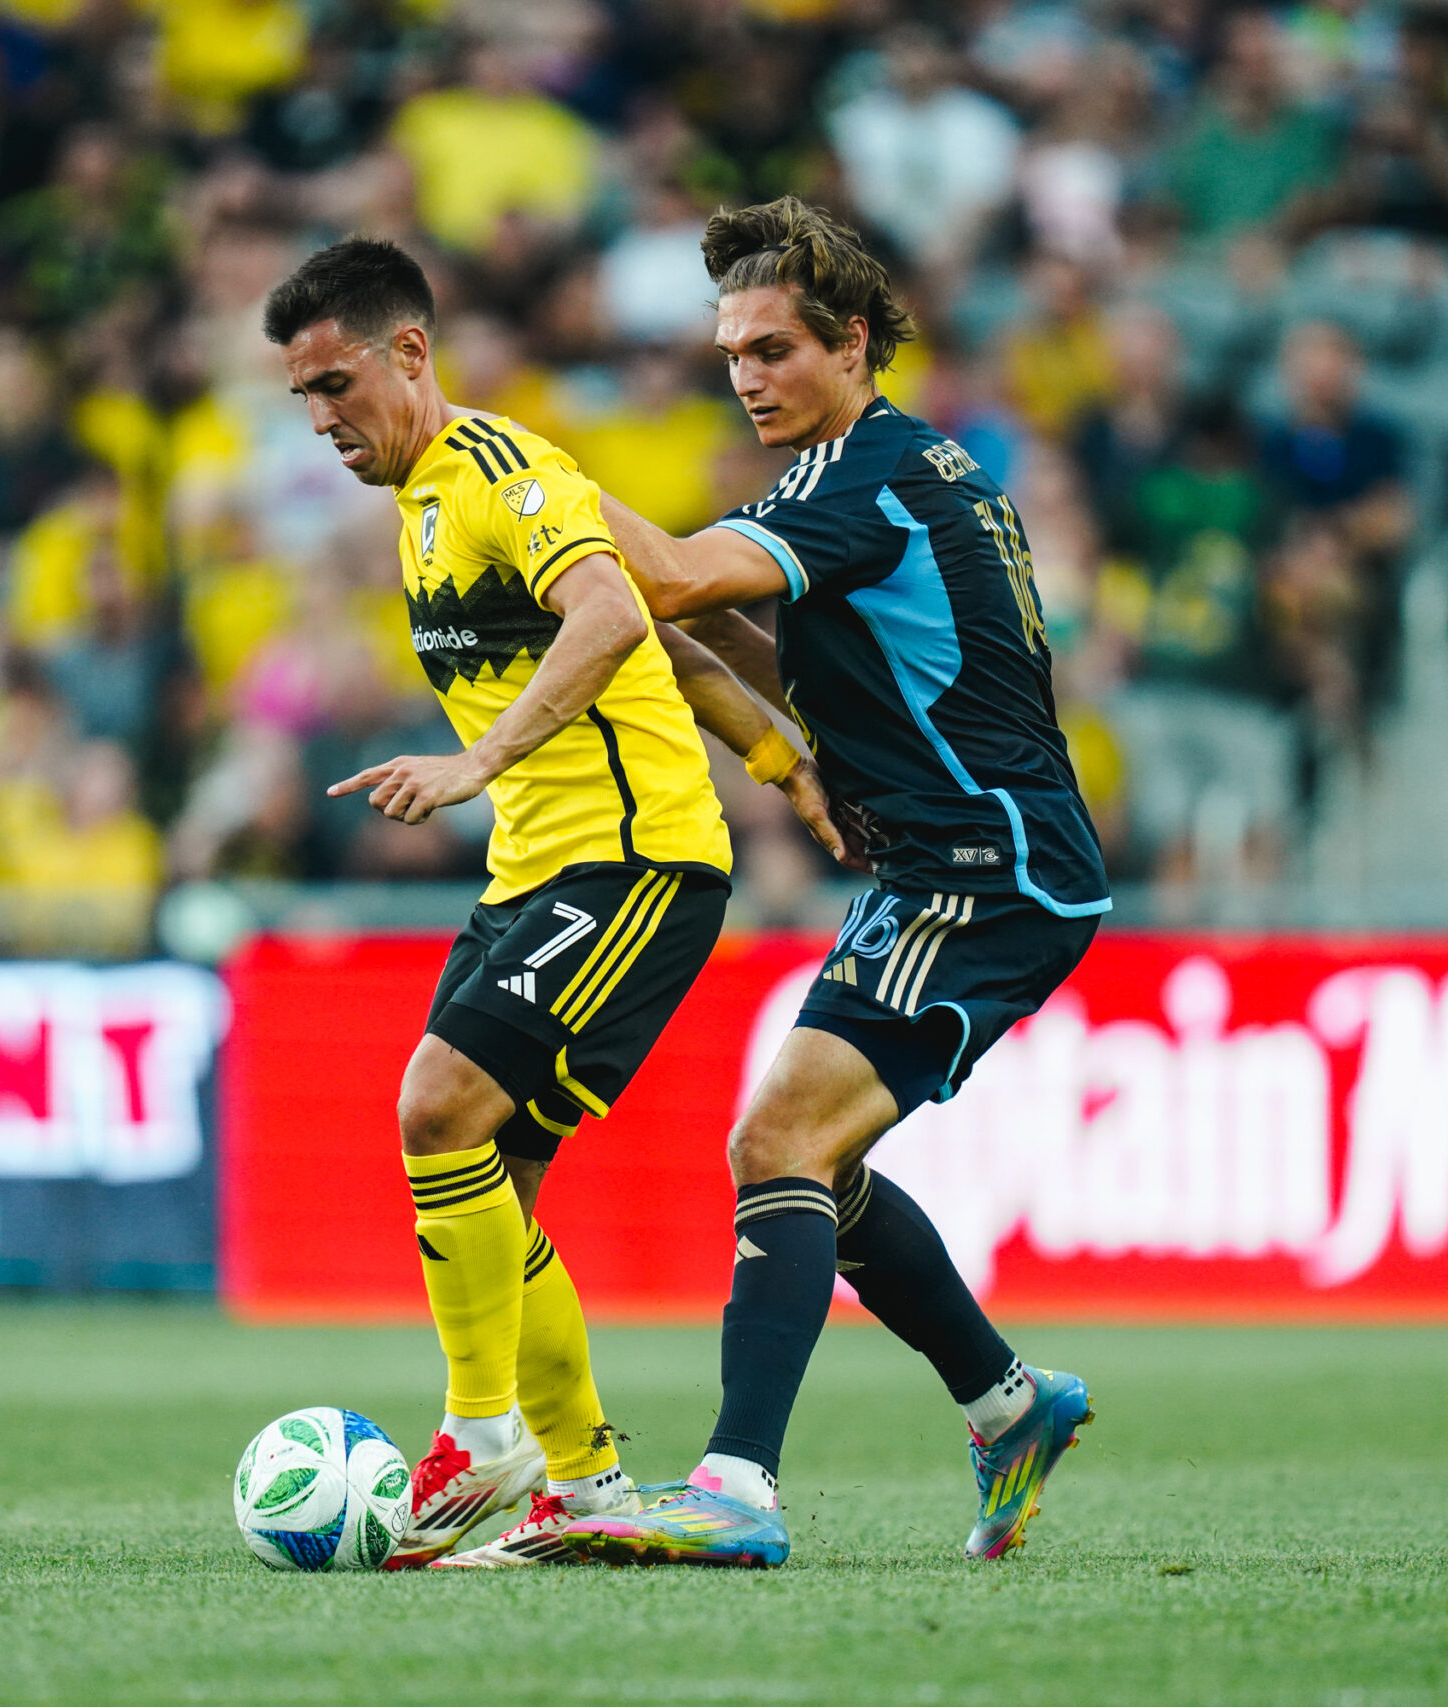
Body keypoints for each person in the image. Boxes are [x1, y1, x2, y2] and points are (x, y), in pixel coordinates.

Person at [264, 238, 846, 1567]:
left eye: (336, 384)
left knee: (434, 1108)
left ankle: (480, 1434)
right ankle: (579, 1481)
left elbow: (607, 616)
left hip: (631, 863)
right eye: (302, 396)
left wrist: (475, 762)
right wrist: (776, 758)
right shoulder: (419, 504)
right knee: (490, 1189)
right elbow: (665, 633)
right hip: (537, 869)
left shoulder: (498, 469)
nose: (321, 418)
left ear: (411, 352)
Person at [559, 197, 1108, 1570]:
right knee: (820, 1160)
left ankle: (736, 1484)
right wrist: (797, 749)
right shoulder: (907, 467)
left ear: (852, 342)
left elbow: (668, 578)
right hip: (968, 860)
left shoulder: (857, 483)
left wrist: (519, 476)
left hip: (983, 871)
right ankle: (1009, 1403)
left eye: (773, 350)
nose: (747, 378)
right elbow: (792, 632)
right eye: (732, 356)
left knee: (777, 1147)